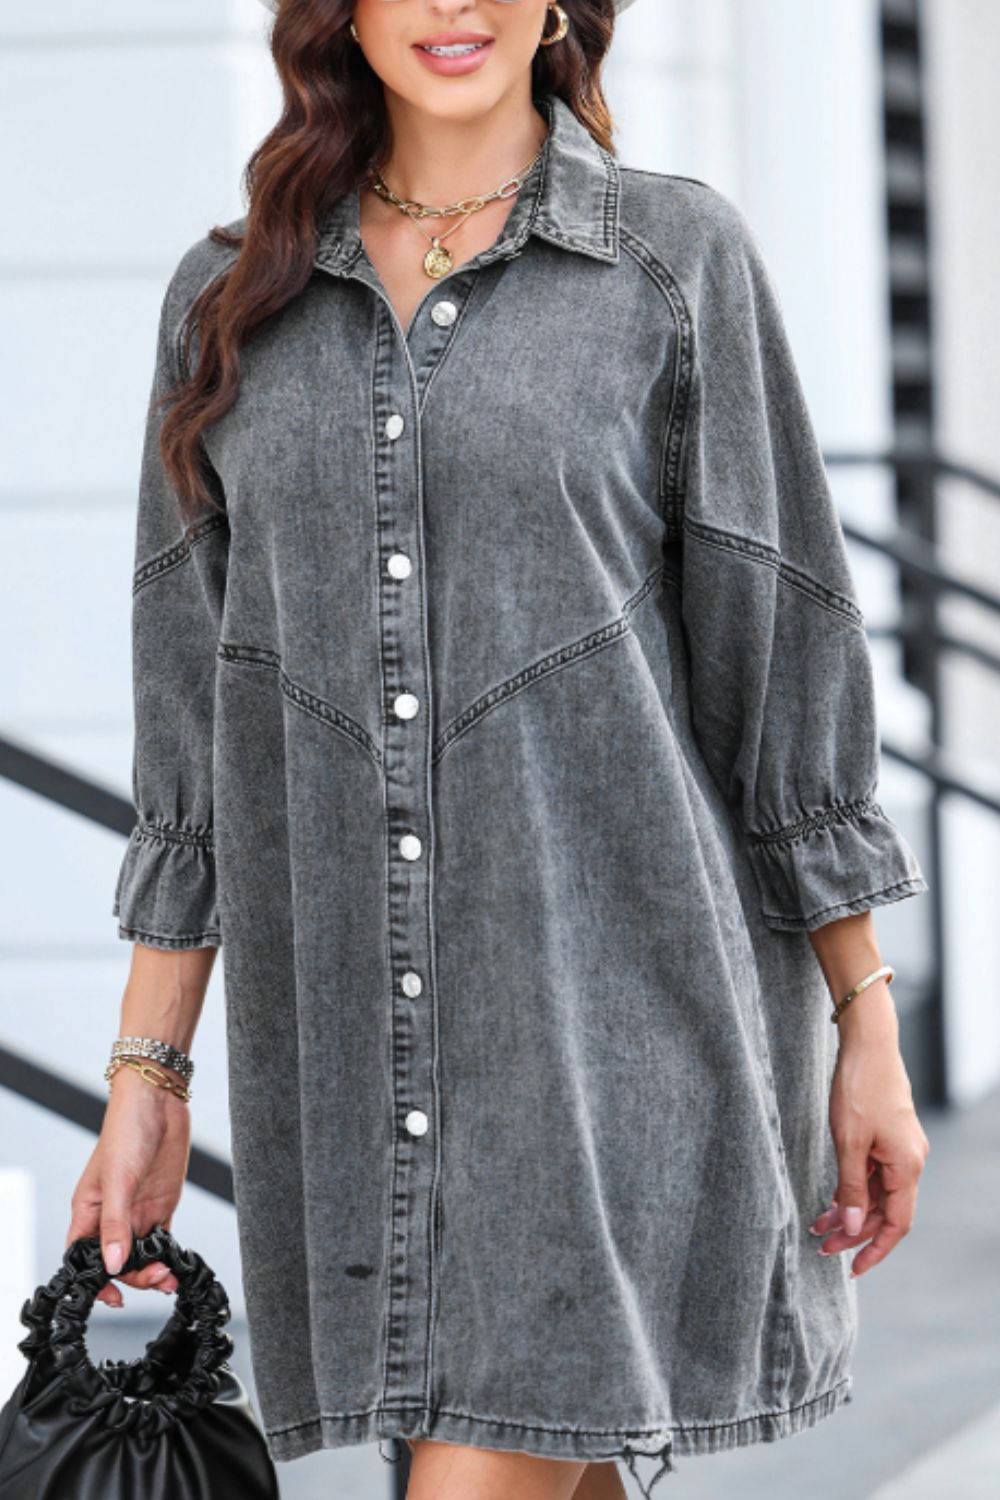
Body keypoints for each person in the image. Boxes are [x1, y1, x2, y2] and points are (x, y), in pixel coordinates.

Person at [67, 3, 932, 1497]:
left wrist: (869, 1024)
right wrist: (148, 1070)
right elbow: (190, 727)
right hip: (354, 1059)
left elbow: (783, 657)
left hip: (620, 1041)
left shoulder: (673, 265)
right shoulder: (229, 300)